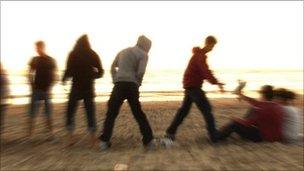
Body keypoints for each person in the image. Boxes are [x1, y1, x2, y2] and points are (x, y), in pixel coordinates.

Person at [162, 35, 225, 146]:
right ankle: (214, 136)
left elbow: (204, 71)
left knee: (183, 112)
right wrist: (216, 82)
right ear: (208, 44)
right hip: (193, 87)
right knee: (207, 110)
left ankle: (170, 132)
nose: (213, 48)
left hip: (190, 86)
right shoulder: (200, 56)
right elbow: (205, 71)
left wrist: (214, 81)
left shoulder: (198, 55)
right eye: (213, 46)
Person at [99, 35, 154, 150]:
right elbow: (141, 72)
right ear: (146, 45)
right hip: (131, 85)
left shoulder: (123, 51)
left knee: (111, 113)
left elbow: (113, 66)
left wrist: (115, 79)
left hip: (118, 84)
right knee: (138, 113)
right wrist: (138, 83)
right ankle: (148, 141)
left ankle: (104, 142)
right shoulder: (144, 55)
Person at [62, 34, 104, 147]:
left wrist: (63, 80)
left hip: (75, 87)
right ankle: (92, 140)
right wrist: (91, 75)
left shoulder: (73, 53)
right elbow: (101, 72)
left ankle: (70, 138)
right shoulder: (92, 54)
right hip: (88, 88)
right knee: (90, 113)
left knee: (70, 112)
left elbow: (68, 70)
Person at [218, 85, 284, 142]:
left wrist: (235, 119)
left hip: (264, 137)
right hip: (275, 136)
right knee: (253, 108)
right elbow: (255, 102)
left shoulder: (262, 108)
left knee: (234, 124)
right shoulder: (277, 105)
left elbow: (248, 123)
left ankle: (217, 137)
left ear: (263, 95)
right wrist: (240, 94)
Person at [27, 41, 57, 139]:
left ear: (43, 47)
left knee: (48, 113)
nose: (37, 49)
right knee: (32, 113)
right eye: (36, 48)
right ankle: (30, 135)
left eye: (38, 47)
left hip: (46, 91)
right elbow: (29, 73)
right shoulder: (34, 59)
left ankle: (51, 134)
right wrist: (32, 85)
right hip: (36, 90)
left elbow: (55, 75)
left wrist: (50, 86)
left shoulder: (50, 60)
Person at [0, 63, 10, 133]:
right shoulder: (5, 75)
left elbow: (6, 89)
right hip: (3, 100)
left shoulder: (3, 76)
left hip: (2, 100)